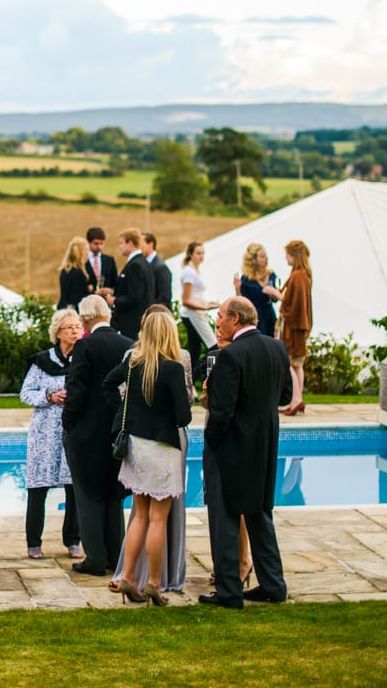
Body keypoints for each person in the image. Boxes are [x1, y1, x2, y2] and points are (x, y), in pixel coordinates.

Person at [199, 297, 291, 609]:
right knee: (259, 514)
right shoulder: (276, 347)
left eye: (222, 316)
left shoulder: (230, 356)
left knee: (224, 518)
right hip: (264, 447)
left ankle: (228, 592)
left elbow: (221, 412)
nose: (218, 321)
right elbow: (287, 395)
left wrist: (210, 443)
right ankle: (273, 584)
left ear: (236, 319)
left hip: (231, 449)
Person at [106, 311, 192, 606]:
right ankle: (154, 582)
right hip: (162, 448)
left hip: (136, 448)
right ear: (169, 334)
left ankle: (129, 576)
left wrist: (124, 410)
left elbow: (108, 383)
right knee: (158, 518)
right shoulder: (172, 369)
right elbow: (183, 416)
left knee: (139, 515)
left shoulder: (133, 364)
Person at [64, 294, 132, 577]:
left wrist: (67, 423)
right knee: (113, 494)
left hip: (87, 432)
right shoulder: (128, 344)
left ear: (86, 318)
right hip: (117, 428)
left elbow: (76, 389)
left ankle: (94, 558)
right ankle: (114, 554)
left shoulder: (85, 346)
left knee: (88, 494)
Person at [20, 307, 82, 561]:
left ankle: (73, 541)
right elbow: (25, 393)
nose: (76, 331)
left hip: (72, 431)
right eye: (70, 328)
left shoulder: (83, 357)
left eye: (78, 327)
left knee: (73, 488)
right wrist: (49, 396)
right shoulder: (42, 361)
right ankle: (33, 542)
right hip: (45, 433)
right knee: (38, 488)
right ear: (58, 333)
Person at [179, 241, 221, 388]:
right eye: (198, 253)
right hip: (193, 315)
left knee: (194, 353)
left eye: (203, 253)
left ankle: (188, 382)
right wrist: (205, 307)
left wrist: (208, 303)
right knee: (214, 347)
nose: (201, 256)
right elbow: (185, 300)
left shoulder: (195, 271)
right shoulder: (189, 272)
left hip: (197, 313)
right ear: (190, 254)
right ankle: (199, 380)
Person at [278, 240, 313, 415]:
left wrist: (278, 295)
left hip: (293, 327)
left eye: (287, 254)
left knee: (289, 363)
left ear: (294, 255)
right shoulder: (304, 275)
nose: (285, 257)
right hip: (300, 327)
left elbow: (294, 304)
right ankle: (296, 400)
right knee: (297, 365)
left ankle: (296, 399)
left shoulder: (298, 276)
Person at [110, 228, 155, 339]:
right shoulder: (144, 262)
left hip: (133, 323)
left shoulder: (135, 265)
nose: (120, 246)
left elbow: (135, 296)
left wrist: (114, 300)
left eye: (121, 243)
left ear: (130, 243)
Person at [234, 242, 281, 339]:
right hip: (255, 318)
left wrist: (274, 295)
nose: (266, 258)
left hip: (269, 315)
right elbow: (241, 302)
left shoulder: (271, 275)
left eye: (266, 256)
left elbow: (275, 299)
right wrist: (237, 288)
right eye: (262, 256)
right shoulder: (247, 279)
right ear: (254, 259)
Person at [84, 227, 118, 304]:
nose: (99, 247)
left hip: (105, 304)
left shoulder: (109, 260)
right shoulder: (83, 261)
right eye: (96, 243)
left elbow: (115, 283)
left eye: (101, 243)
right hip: (87, 303)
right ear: (88, 243)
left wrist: (110, 291)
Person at [58, 237, 92, 310]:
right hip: (73, 314)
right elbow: (77, 299)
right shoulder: (78, 273)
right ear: (82, 253)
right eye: (87, 251)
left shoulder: (65, 270)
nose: (88, 254)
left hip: (62, 309)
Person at [141, 232, 173, 310]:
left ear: (151, 244)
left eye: (141, 243)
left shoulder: (160, 267)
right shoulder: (143, 264)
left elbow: (165, 297)